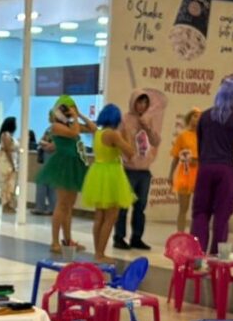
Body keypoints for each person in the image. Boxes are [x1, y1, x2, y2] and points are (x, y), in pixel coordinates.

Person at [190, 77, 233, 254]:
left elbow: (200, 146)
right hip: (225, 169)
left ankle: (197, 254)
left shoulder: (205, 116)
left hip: (205, 168)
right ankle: (217, 257)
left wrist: (204, 163)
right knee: (222, 215)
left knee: (200, 212)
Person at [35, 96, 96, 254]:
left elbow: (93, 128)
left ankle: (68, 240)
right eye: (67, 109)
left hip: (74, 164)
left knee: (69, 206)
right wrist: (75, 118)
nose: (69, 111)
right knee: (62, 204)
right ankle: (55, 241)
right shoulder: (56, 126)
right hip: (63, 165)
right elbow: (74, 133)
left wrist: (79, 114)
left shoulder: (71, 123)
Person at [80, 104, 136, 263]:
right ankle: (100, 253)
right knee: (111, 216)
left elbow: (90, 125)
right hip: (111, 174)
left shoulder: (98, 133)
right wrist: (127, 134)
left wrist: (80, 115)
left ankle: (97, 252)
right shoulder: (113, 135)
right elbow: (130, 152)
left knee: (99, 216)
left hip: (98, 172)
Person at [113, 91, 161, 251]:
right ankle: (119, 237)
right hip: (129, 170)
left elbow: (156, 141)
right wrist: (127, 157)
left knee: (140, 207)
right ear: (133, 102)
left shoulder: (148, 120)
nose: (142, 106)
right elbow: (118, 140)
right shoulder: (124, 119)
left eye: (145, 103)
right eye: (139, 102)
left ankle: (137, 238)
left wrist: (147, 127)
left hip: (144, 171)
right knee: (123, 206)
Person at [169, 108, 201, 233]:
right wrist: (171, 174)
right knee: (183, 208)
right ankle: (180, 234)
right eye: (194, 116)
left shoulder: (204, 136)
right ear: (189, 118)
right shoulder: (182, 136)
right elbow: (176, 157)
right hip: (185, 172)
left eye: (199, 116)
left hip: (200, 173)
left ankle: (195, 233)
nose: (196, 119)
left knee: (198, 208)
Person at [0, 116, 20, 213]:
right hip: (6, 162)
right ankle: (6, 205)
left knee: (11, 184)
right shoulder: (6, 135)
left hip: (10, 161)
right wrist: (12, 164)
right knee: (7, 184)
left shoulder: (10, 136)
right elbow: (8, 150)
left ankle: (9, 204)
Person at [32, 125, 57, 215]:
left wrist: (44, 145)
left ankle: (49, 207)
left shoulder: (60, 131)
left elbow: (53, 147)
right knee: (44, 184)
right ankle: (43, 207)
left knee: (51, 185)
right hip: (47, 160)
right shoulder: (49, 129)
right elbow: (41, 141)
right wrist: (45, 145)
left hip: (53, 160)